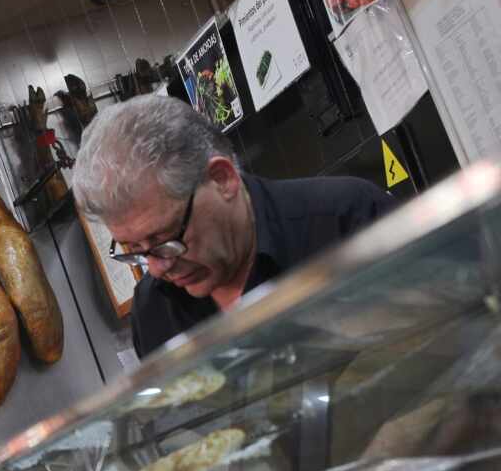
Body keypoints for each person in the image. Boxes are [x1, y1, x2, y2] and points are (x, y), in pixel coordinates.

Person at [71, 96, 398, 357]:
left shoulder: (345, 219)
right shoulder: (153, 312)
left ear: (222, 179)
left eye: (164, 239)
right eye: (134, 250)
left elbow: (439, 349)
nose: (156, 269)